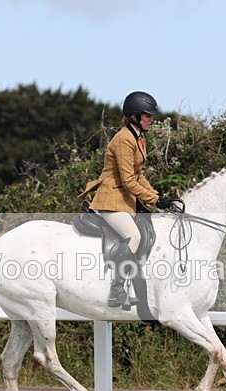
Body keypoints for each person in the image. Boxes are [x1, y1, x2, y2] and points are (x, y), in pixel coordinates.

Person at [78, 91, 171, 307]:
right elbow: (129, 181)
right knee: (134, 236)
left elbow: (139, 175)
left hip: (125, 199)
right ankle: (117, 289)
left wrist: (159, 197)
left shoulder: (138, 137)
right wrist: (156, 201)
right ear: (135, 116)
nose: (151, 119)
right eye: (148, 115)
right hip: (111, 199)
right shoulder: (123, 139)